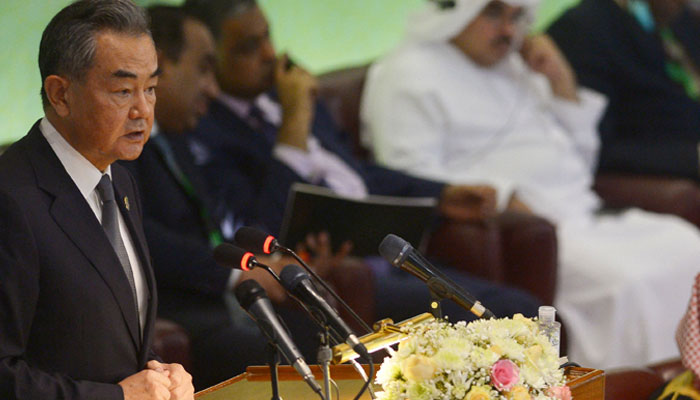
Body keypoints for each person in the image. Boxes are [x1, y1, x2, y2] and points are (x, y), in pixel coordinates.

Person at [360, 0, 700, 369]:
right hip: (534, 231)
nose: (509, 31)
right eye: (493, 13)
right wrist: (504, 198)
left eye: (517, 17)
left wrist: (560, 83)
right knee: (630, 281)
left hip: (588, 216)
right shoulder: (405, 74)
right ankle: (634, 388)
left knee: (689, 246)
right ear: (453, 10)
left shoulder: (515, 68)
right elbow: (411, 182)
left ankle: (684, 382)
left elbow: (580, 163)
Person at [182, 0, 542, 325]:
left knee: (522, 310)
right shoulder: (205, 133)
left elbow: (356, 174)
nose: (269, 54)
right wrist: (294, 122)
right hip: (342, 275)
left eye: (267, 37)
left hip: (389, 252)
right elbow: (258, 229)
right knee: (513, 315)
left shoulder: (283, 92)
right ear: (211, 64)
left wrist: (441, 196)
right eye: (248, 48)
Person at [122, 6, 342, 389]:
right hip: (181, 314)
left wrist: (271, 264)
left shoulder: (177, 138)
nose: (212, 87)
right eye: (204, 68)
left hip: (227, 303)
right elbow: (140, 239)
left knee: (330, 334)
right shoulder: (119, 145)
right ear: (161, 66)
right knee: (288, 362)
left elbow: (221, 227)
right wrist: (238, 272)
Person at [0, 1, 194, 399]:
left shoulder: (120, 182)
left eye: (151, 88)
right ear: (60, 94)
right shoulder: (11, 199)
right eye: (123, 91)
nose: (143, 110)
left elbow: (111, 335)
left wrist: (158, 373)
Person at [548, 0, 700, 179]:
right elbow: (597, 146)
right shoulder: (583, 28)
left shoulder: (677, 18)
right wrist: (693, 157)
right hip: (670, 174)